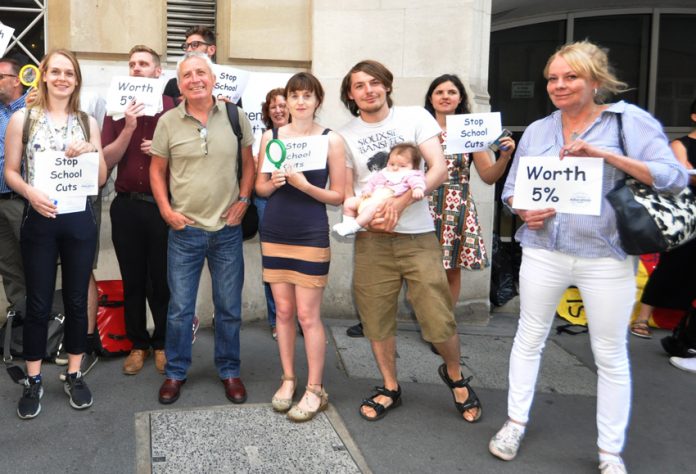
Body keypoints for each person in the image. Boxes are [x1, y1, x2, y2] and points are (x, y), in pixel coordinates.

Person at [489, 41, 688, 474]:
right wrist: (523, 209)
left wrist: (604, 155)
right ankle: (514, 422)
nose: (559, 85)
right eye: (553, 78)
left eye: (571, 77)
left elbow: (673, 177)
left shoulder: (627, 122)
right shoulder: (540, 129)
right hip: (543, 250)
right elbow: (510, 191)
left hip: (606, 256)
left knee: (610, 354)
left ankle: (609, 451)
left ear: (595, 80)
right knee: (528, 338)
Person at [339, 59, 482, 423]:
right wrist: (354, 214)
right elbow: (346, 191)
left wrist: (401, 204)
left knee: (437, 316)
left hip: (418, 237)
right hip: (372, 241)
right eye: (359, 86)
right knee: (376, 318)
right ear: (351, 95)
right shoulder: (344, 135)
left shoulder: (416, 116)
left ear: (386, 85)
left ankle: (454, 373)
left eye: (374, 82)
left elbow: (439, 168)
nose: (368, 90)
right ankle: (390, 385)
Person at [4, 49, 108, 419]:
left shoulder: (86, 122)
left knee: (78, 301)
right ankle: (33, 379)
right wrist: (30, 192)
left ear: (77, 80)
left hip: (79, 219)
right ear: (44, 75)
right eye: (56, 71)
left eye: (70, 73)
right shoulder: (23, 119)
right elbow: (11, 172)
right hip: (40, 218)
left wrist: (91, 151)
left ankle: (74, 371)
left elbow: (100, 178)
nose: (63, 78)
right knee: (38, 302)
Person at [150, 51, 254, 405]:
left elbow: (248, 162)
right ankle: (176, 372)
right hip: (184, 231)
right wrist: (166, 210)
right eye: (187, 75)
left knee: (228, 307)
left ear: (212, 78)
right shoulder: (167, 122)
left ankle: (229, 370)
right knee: (179, 308)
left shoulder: (234, 115)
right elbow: (156, 171)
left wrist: (243, 199)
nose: (195, 79)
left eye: (200, 73)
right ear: (179, 84)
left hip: (226, 230)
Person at [255, 72, 344, 422]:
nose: (301, 102)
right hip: (275, 231)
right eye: (295, 96)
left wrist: (304, 186)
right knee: (284, 313)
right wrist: (275, 183)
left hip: (310, 234)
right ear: (286, 101)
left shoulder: (330, 140)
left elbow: (339, 195)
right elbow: (259, 190)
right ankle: (289, 379)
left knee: (308, 316)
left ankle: (315, 388)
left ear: (318, 101)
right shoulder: (271, 136)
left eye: (308, 96)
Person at [102, 45, 175, 375]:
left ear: (157, 72)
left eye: (143, 64)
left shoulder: (174, 109)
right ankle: (137, 344)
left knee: (160, 280)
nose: (136, 68)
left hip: (161, 207)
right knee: (132, 279)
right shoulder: (114, 110)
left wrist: (163, 152)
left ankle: (161, 343)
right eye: (132, 64)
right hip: (126, 206)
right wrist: (128, 128)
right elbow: (105, 160)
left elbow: (191, 161)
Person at [424, 74, 515, 304]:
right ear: (431, 98)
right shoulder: (420, 129)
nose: (445, 96)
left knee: (452, 269)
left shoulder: (470, 130)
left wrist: (504, 157)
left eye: (451, 92)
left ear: (460, 98)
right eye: (440, 92)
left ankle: (444, 326)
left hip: (457, 205)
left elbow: (488, 176)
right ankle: (429, 319)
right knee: (422, 268)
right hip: (423, 204)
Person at [630, 97, 696, 340]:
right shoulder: (681, 144)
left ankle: (688, 327)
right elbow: (684, 174)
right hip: (687, 213)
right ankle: (642, 318)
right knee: (672, 264)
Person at [333, 142, 425, 236]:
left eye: (402, 166)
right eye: (392, 164)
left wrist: (418, 188)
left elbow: (417, 181)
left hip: (382, 204)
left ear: (414, 166)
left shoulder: (410, 174)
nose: (395, 168)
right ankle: (347, 223)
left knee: (369, 209)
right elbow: (371, 183)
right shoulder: (383, 173)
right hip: (370, 198)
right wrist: (367, 191)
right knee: (349, 202)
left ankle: (354, 227)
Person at [256, 87, 289, 339]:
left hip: (301, 205)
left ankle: (301, 317)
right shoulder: (266, 136)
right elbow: (260, 182)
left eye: (282, 104)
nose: (278, 110)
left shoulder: (310, 135)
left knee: (300, 265)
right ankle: (276, 320)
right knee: (273, 265)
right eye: (272, 106)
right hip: (268, 202)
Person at [0, 57, 28, 314]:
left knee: (34, 261)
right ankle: (19, 327)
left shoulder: (33, 107)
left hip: (21, 200)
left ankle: (45, 327)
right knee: (8, 266)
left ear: (16, 80)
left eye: (0, 77)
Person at [163, 26, 216, 103]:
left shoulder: (229, 83)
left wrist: (229, 106)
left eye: (195, 45)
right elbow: (165, 111)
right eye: (187, 46)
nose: (189, 50)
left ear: (211, 50)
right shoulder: (173, 84)